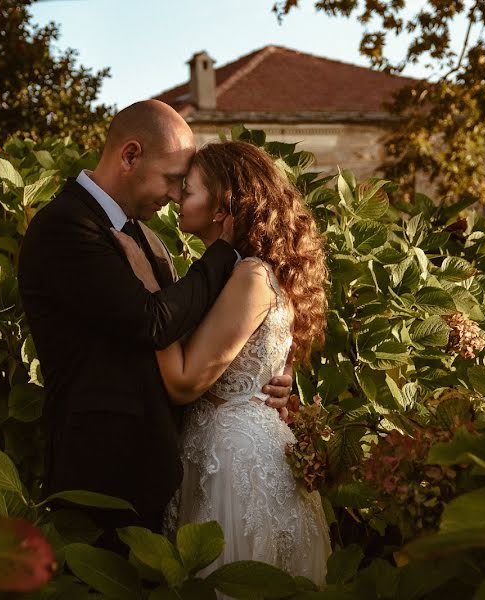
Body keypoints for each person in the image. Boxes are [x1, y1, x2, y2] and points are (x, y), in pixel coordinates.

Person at [16, 101, 294, 548]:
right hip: (102, 469)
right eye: (171, 179)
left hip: (167, 466)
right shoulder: (65, 228)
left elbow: (198, 328)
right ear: (130, 156)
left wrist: (266, 376)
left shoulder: (147, 238)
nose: (173, 195)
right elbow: (153, 322)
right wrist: (222, 250)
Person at [113, 140, 331, 582]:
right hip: (220, 448)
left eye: (187, 189)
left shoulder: (251, 275)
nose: (176, 198)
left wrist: (148, 293)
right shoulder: (243, 271)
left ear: (221, 207)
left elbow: (184, 382)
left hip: (235, 461)